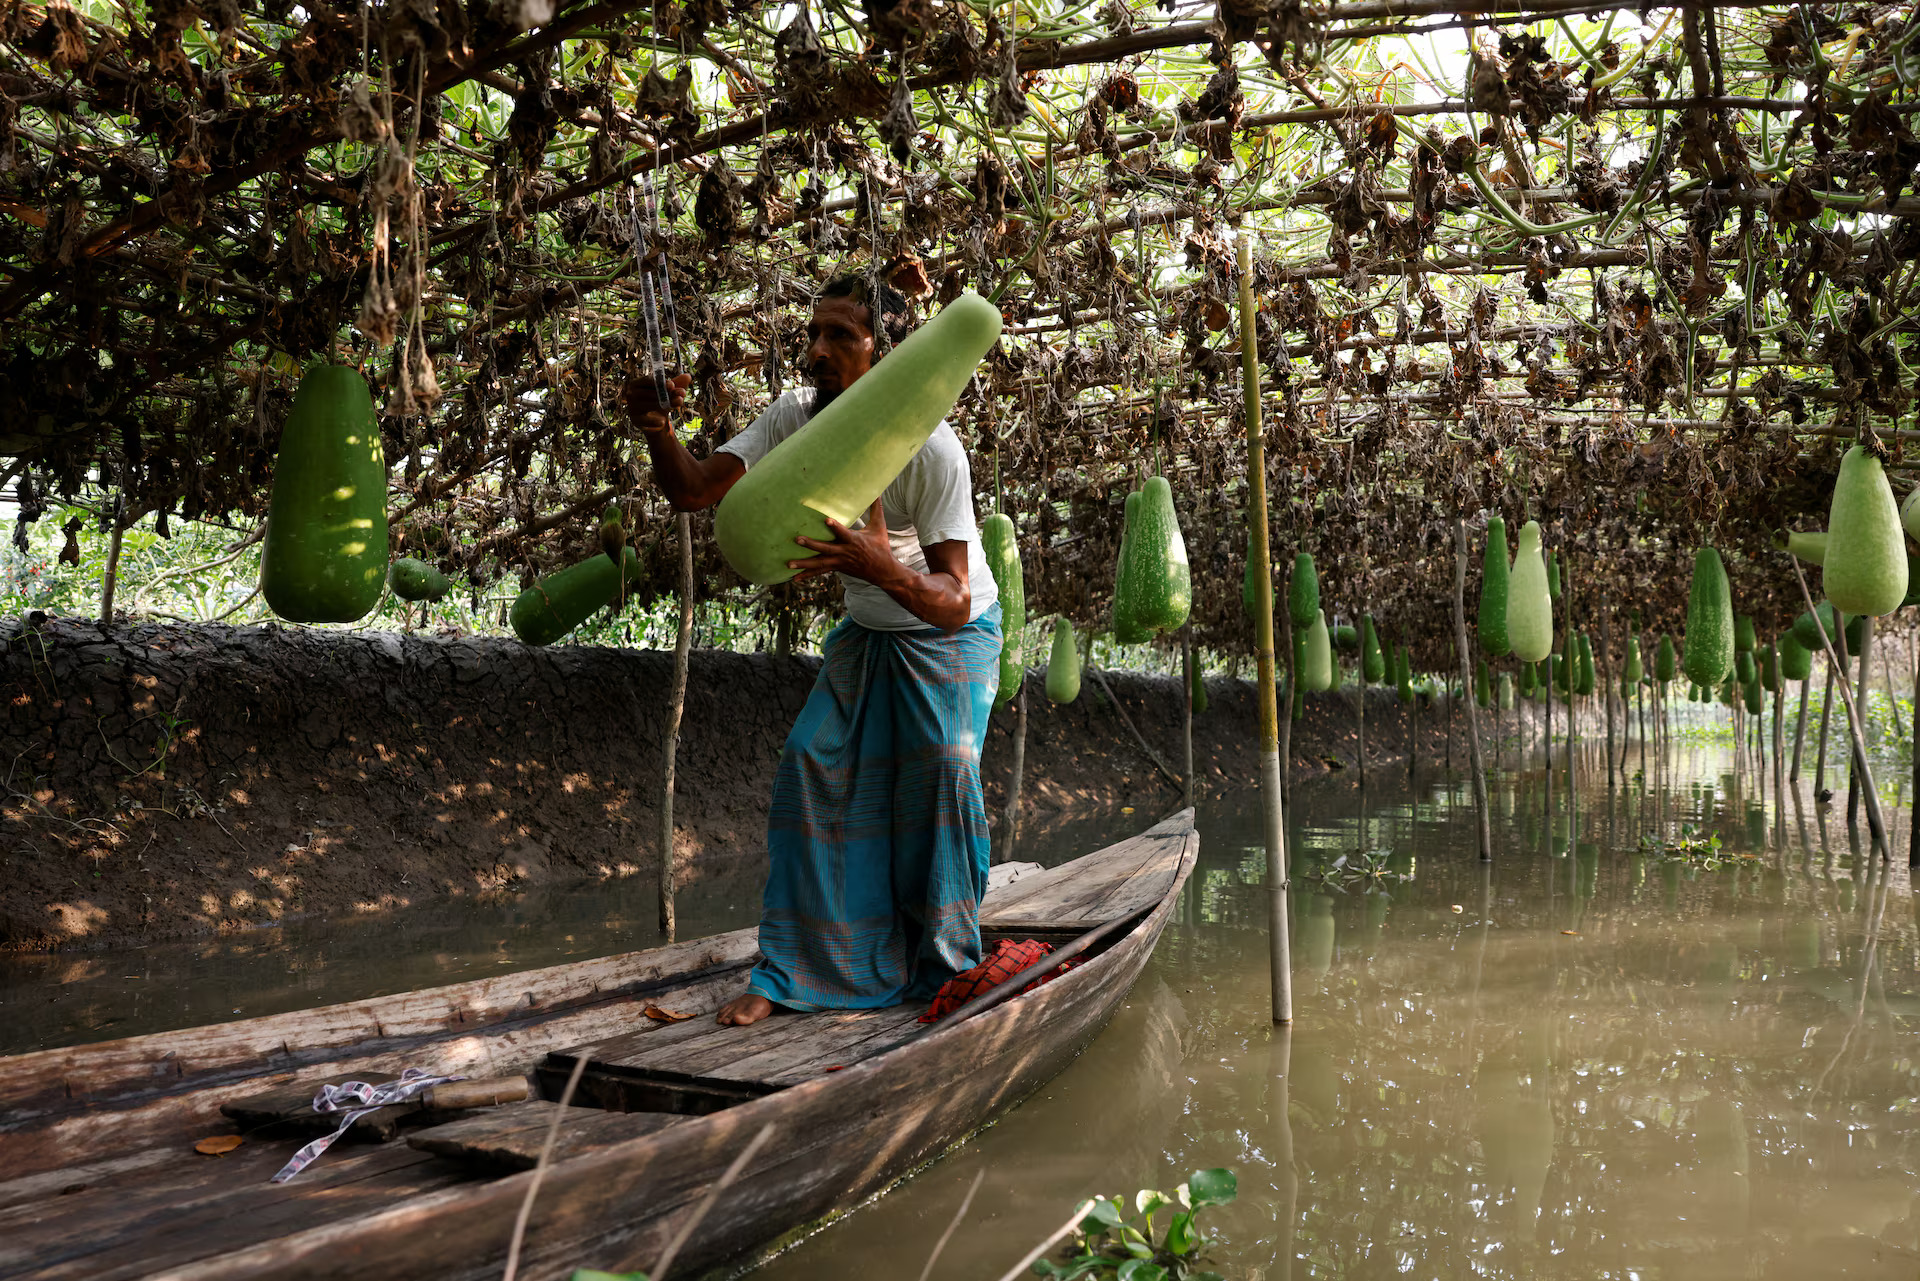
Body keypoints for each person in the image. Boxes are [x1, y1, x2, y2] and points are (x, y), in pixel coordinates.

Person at [622, 274, 1002, 1027]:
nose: (817, 351)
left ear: (886, 352)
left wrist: (881, 565)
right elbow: (696, 492)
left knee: (942, 780)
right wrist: (657, 428)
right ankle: (792, 970)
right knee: (810, 766)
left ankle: (944, 967)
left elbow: (955, 600)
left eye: (841, 337)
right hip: (868, 632)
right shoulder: (795, 416)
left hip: (945, 634)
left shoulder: (932, 449)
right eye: (813, 334)